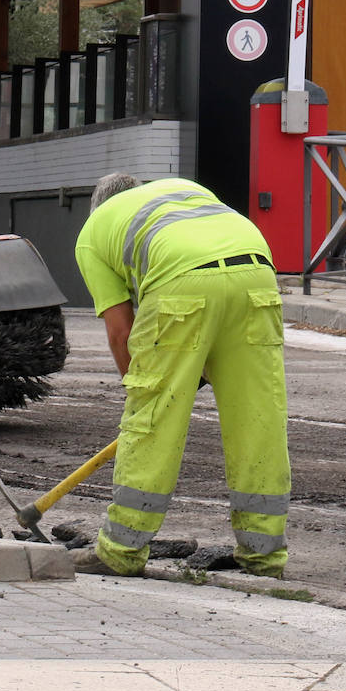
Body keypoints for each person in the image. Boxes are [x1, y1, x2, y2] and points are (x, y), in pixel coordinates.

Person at [71, 172, 291, 577]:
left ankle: (121, 550)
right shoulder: (182, 190)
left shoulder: (93, 232)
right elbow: (217, 285)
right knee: (259, 417)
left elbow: (122, 333)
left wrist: (142, 394)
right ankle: (263, 555)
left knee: (154, 424)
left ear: (97, 207)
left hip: (181, 283)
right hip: (258, 273)